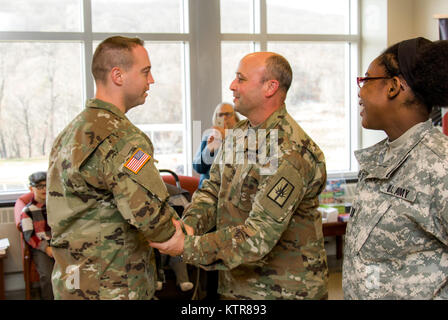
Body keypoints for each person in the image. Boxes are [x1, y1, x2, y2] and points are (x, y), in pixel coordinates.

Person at [151, 52, 329, 300]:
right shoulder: (240, 135)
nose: (232, 86)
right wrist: (189, 226)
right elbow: (212, 190)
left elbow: (257, 236)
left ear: (270, 87)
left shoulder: (290, 151)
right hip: (237, 286)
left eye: (241, 79)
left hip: (283, 291)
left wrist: (185, 246)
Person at [46, 36, 182, 300]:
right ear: (118, 75)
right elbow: (151, 218)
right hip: (112, 284)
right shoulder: (122, 138)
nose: (151, 80)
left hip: (72, 282)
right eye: (145, 71)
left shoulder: (70, 132)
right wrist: (178, 233)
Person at [342, 38, 448, 299]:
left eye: (366, 80)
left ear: (393, 87)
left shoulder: (440, 165)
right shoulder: (378, 159)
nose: (359, 92)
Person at [20, 171, 54, 300]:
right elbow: (30, 236)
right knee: (47, 275)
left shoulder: (56, 206)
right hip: (41, 248)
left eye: (47, 185)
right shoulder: (27, 211)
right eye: (39, 186)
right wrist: (46, 248)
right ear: (31, 188)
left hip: (59, 244)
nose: (44, 189)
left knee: (73, 271)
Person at [193, 102, 240, 187]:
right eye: (220, 115)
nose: (224, 118)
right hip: (208, 189)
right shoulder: (209, 135)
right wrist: (209, 150)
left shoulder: (244, 135)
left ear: (235, 117)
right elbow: (198, 168)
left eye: (228, 114)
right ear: (216, 118)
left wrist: (227, 139)